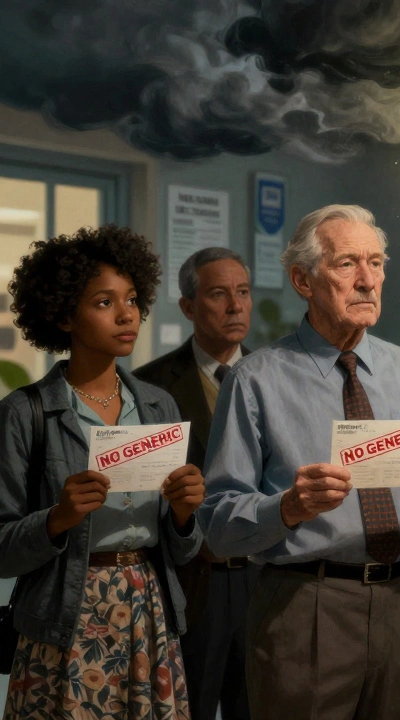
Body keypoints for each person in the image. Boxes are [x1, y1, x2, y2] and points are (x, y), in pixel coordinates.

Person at [198, 204, 400, 720]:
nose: (368, 280)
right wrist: (287, 507)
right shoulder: (255, 380)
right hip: (305, 603)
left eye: (377, 262)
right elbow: (217, 526)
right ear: (303, 279)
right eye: (347, 264)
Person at [0, 225, 205, 718]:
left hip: (150, 608)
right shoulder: (25, 412)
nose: (126, 313)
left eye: (132, 299)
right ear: (64, 314)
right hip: (64, 615)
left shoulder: (158, 405)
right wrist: (57, 518)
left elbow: (184, 547)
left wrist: (184, 515)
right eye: (104, 302)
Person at [134, 246, 255, 720]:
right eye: (219, 294)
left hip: (265, 576)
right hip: (192, 580)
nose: (235, 306)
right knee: (192, 706)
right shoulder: (151, 387)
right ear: (187, 306)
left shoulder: (275, 376)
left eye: (242, 293)